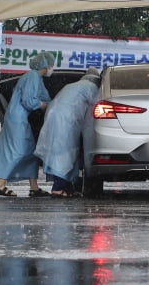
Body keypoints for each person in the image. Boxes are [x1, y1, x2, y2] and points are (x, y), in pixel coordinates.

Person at [0, 52, 55, 197]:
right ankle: (1, 184)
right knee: (17, 151)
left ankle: (34, 187)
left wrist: (48, 103)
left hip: (19, 118)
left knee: (30, 152)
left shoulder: (35, 78)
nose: (52, 68)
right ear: (46, 65)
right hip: (18, 119)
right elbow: (28, 100)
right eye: (52, 65)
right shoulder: (33, 76)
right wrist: (43, 105)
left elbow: (43, 96)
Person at [34, 67, 101, 198]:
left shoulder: (73, 85)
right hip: (66, 120)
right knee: (64, 153)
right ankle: (57, 188)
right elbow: (96, 108)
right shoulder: (92, 88)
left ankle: (68, 188)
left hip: (55, 116)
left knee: (64, 152)